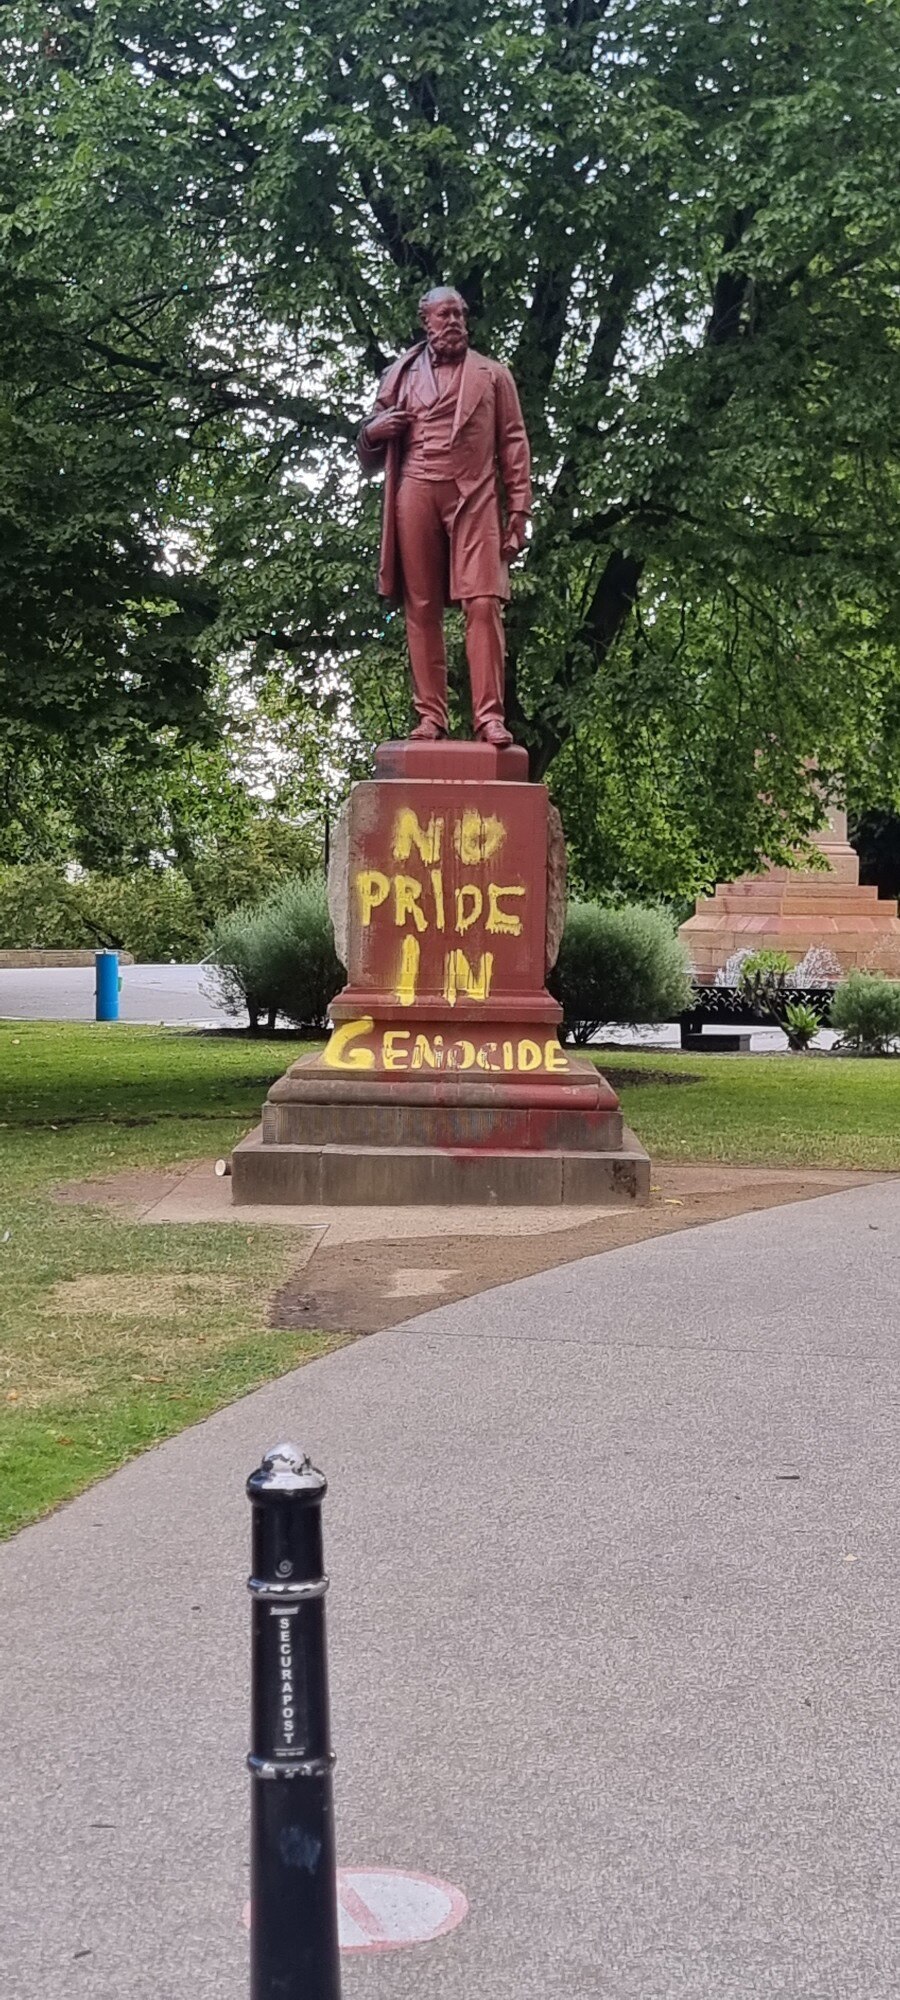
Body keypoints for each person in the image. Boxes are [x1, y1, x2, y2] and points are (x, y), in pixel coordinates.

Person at [358, 286, 532, 746]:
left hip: (474, 495)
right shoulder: (398, 375)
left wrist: (519, 507)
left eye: (459, 313)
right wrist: (373, 431)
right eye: (443, 314)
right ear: (426, 322)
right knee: (421, 605)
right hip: (415, 489)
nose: (453, 321)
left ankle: (489, 717)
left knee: (483, 602)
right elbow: (369, 447)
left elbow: (513, 443)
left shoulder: (494, 376)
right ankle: (431, 717)